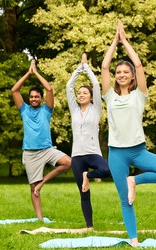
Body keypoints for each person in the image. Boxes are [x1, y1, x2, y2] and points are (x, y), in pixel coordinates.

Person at [101, 20, 156, 246]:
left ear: (132, 76)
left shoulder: (139, 95)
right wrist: (114, 42)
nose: (121, 74)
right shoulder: (109, 96)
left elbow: (140, 65)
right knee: (125, 200)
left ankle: (135, 180)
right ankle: (134, 240)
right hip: (117, 154)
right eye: (119, 72)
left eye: (126, 72)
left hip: (138, 151)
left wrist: (125, 41)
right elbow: (104, 67)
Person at [11, 59, 71, 220]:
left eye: (37, 97)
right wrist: (28, 73)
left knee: (68, 162)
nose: (33, 99)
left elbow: (49, 89)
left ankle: (43, 181)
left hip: (47, 149)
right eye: (31, 97)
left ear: (41, 98)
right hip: (30, 153)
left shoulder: (47, 110)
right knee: (33, 188)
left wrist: (36, 72)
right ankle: (39, 219)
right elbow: (14, 91)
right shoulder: (24, 110)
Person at [66, 53, 111, 229]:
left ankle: (88, 176)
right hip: (77, 156)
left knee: (106, 170)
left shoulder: (96, 109)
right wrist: (79, 68)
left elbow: (95, 85)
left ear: (91, 97)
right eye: (80, 93)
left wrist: (87, 68)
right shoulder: (74, 110)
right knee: (84, 193)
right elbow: (69, 86)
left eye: (85, 93)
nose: (81, 94)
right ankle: (89, 227)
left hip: (93, 153)